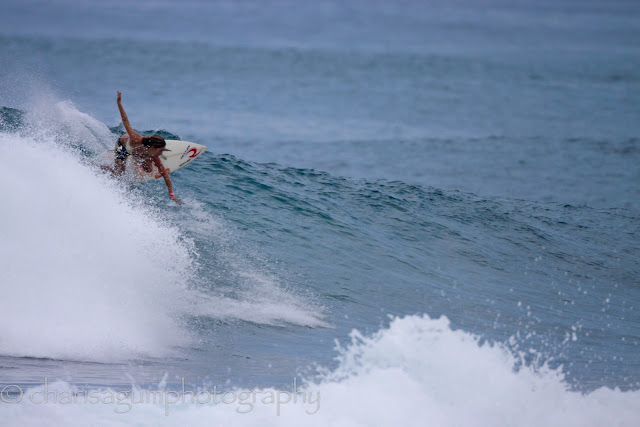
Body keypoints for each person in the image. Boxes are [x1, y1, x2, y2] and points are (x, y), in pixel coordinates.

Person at [108, 90, 180, 205]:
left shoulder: (154, 155)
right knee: (119, 176)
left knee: (149, 170)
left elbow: (165, 174)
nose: (161, 153)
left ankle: (139, 160)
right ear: (153, 147)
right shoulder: (136, 139)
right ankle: (104, 168)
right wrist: (119, 103)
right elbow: (126, 121)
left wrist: (171, 194)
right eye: (160, 150)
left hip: (140, 153)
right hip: (123, 147)